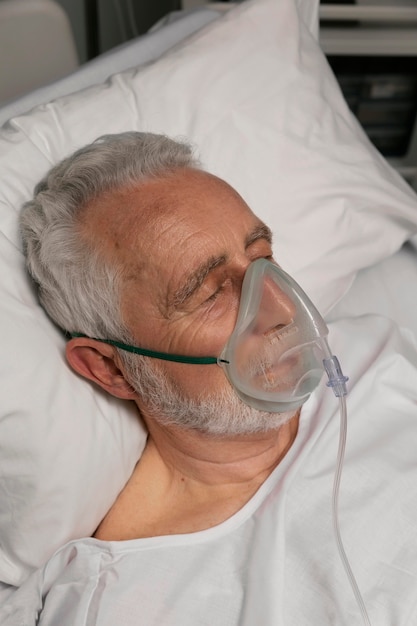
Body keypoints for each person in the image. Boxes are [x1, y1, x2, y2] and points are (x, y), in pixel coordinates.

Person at [5, 131, 417, 625]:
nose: (284, 308)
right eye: (210, 294)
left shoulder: (378, 357)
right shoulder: (115, 599)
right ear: (111, 368)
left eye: (262, 257)